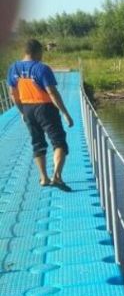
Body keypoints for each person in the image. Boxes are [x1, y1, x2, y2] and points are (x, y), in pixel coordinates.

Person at [7, 39, 74, 189]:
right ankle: (57, 176)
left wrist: (22, 111)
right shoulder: (42, 68)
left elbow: (12, 94)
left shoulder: (13, 68)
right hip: (45, 108)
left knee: (37, 143)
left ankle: (43, 178)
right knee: (59, 142)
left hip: (27, 108)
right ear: (37, 51)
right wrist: (65, 113)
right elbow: (52, 92)